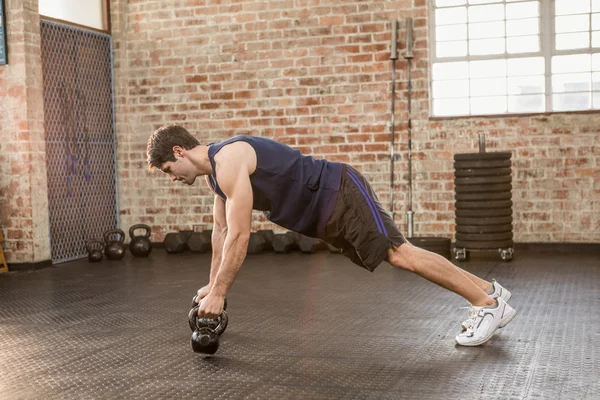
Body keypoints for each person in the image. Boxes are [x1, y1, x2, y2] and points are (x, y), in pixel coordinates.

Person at [146, 124, 517, 346]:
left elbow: (241, 235)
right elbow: (221, 232)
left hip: (338, 192)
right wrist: (213, 286)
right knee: (397, 251)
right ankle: (489, 292)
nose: (173, 177)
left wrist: (223, 292)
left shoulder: (229, 160)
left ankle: (486, 306)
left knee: (398, 253)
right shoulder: (216, 178)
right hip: (327, 211)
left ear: (179, 150)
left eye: (168, 169)